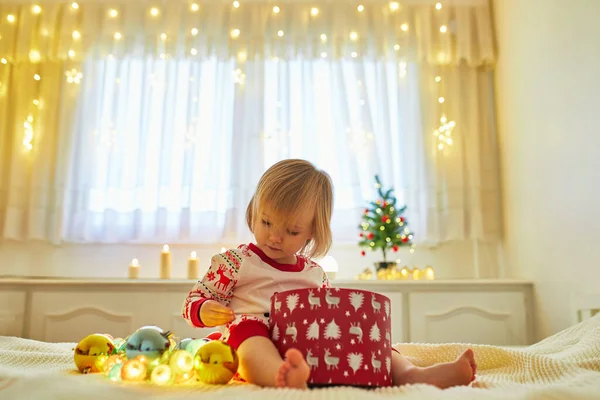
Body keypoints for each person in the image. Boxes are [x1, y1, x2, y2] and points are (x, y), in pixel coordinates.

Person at [182, 159, 476, 389]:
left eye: (292, 231)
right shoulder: (235, 262)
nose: (274, 237)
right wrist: (205, 309)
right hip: (252, 335)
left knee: (365, 340)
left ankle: (412, 373)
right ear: (254, 211)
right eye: (267, 222)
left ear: (312, 232)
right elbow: (195, 299)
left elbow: (330, 318)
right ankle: (279, 376)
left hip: (303, 342)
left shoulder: (313, 274)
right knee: (250, 335)